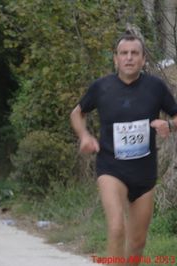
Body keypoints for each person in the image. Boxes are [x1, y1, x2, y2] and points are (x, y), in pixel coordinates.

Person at [70, 32, 177, 265]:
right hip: (111, 168)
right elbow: (77, 113)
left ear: (143, 59)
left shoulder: (155, 87)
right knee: (117, 227)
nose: (129, 58)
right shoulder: (101, 87)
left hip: (144, 173)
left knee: (137, 243)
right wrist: (84, 135)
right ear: (115, 59)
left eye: (134, 53)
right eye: (123, 53)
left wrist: (169, 124)